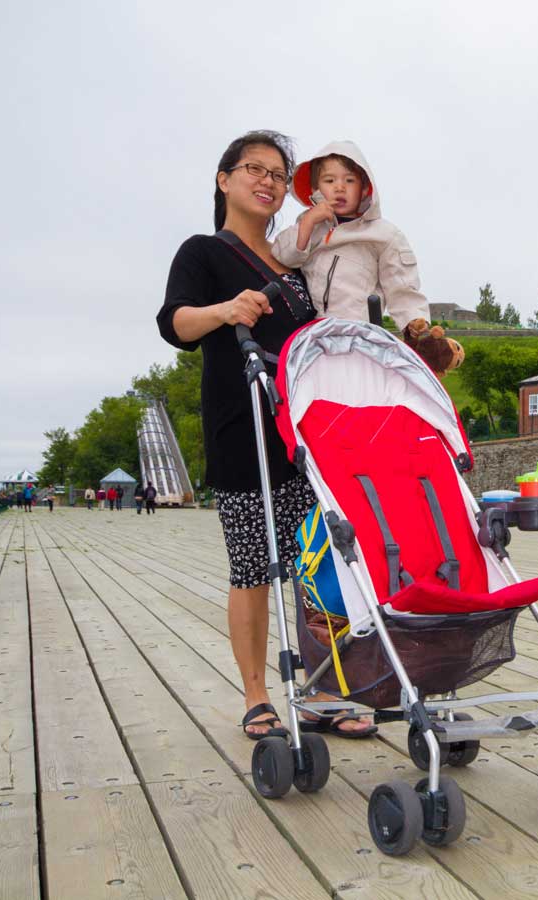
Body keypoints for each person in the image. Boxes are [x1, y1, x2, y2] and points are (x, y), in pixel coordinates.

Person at [157, 130, 375, 741]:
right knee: (253, 565)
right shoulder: (204, 251)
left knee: (321, 564)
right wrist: (225, 311)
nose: (268, 181)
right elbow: (175, 322)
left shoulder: (299, 260)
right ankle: (258, 695)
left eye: (279, 175)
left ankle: (325, 688)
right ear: (224, 179)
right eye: (255, 169)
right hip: (242, 426)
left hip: (309, 434)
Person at [271, 141, 462, 376]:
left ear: (364, 188)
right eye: (330, 181)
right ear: (315, 190)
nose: (339, 188)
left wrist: (414, 321)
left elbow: (401, 283)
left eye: (349, 180)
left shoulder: (383, 234)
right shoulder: (310, 227)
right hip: (315, 336)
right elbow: (283, 255)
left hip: (360, 335)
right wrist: (309, 223)